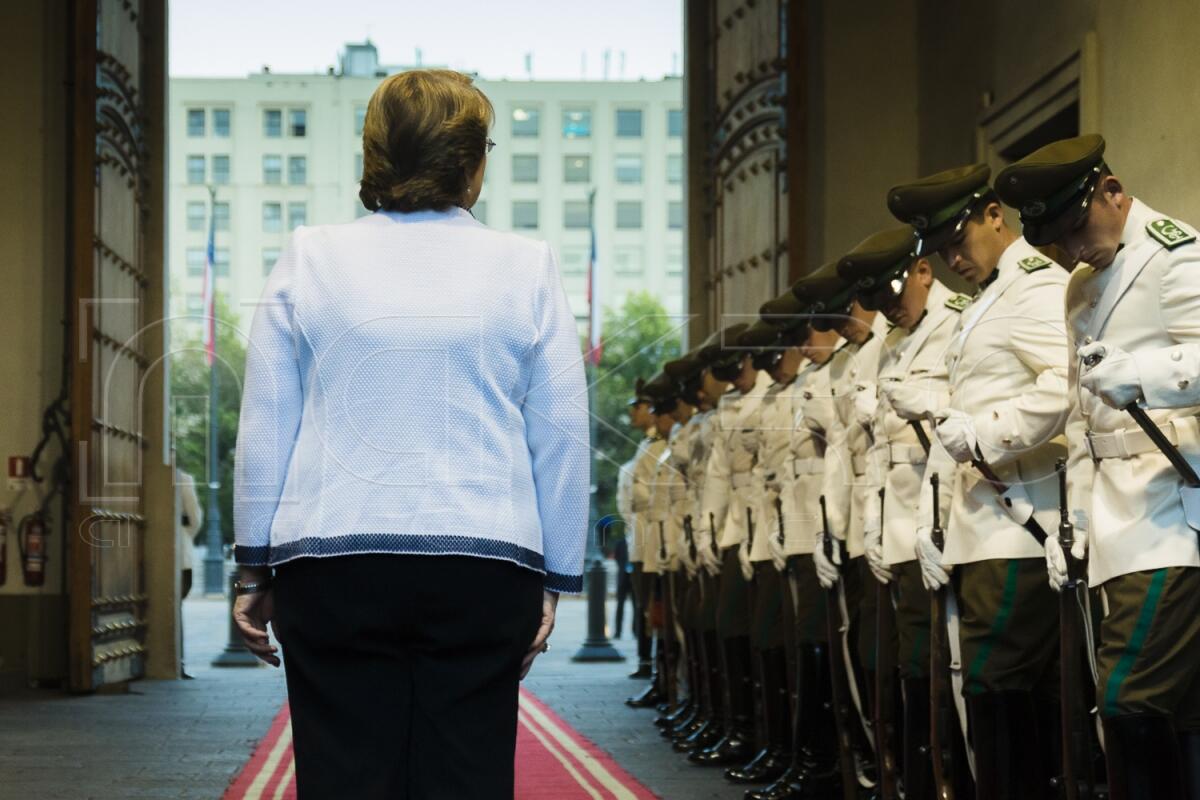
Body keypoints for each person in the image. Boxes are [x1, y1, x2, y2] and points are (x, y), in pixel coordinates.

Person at [229, 68, 589, 800]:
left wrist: (252, 568)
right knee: (467, 773)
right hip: (485, 562)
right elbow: (561, 434)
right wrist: (556, 579)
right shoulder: (527, 266)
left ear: (374, 154)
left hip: (333, 559)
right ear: (473, 161)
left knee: (344, 773)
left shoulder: (310, 255)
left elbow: (266, 422)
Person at [995, 133, 1200, 797]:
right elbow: (1082, 421)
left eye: (1078, 228)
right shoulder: (1080, 286)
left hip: (1172, 507)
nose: (1074, 250)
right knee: (1166, 709)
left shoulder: (1176, 253)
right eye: (1059, 241)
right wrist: (1074, 519)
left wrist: (1141, 373)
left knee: (1128, 698)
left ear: (1112, 192)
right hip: (1111, 518)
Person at [889, 162, 1070, 797]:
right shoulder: (987, 299)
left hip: (1021, 524)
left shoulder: (1035, 287)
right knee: (989, 696)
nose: (949, 261)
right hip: (979, 525)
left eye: (956, 241)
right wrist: (931, 523)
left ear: (996, 216)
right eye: (938, 251)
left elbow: (1065, 384)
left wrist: (990, 432)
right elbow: (952, 423)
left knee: (998, 689)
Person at [838, 224, 966, 798]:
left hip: (940, 517)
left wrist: (933, 403)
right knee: (902, 662)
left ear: (923, 271)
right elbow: (871, 447)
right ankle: (911, 779)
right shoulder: (890, 336)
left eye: (896, 295)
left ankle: (943, 779)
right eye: (881, 304)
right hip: (892, 523)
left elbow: (970, 417)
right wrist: (868, 518)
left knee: (935, 667)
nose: (891, 310)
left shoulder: (958, 319)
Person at [174, 452, 203, 680]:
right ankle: (178, 662)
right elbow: (195, 518)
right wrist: (183, 534)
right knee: (176, 609)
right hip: (180, 554)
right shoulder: (182, 478)